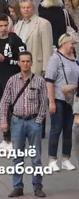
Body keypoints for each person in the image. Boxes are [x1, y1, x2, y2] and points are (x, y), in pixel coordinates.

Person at [0, 51, 48, 197]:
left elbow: (44, 103)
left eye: (28, 61)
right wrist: (3, 121)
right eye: (23, 61)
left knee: (36, 157)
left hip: (33, 122)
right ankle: (17, 186)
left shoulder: (39, 81)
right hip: (17, 122)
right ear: (19, 63)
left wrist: (38, 121)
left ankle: (37, 186)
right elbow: (5, 102)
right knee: (17, 156)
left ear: (31, 63)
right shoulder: (12, 80)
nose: (25, 64)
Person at [46, 34, 79, 172]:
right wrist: (51, 101)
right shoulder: (55, 59)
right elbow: (49, 81)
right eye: (72, 43)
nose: (73, 46)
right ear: (64, 43)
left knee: (68, 129)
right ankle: (52, 159)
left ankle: (66, 158)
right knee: (56, 128)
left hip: (71, 100)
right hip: (59, 98)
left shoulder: (75, 59)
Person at [0, 14, 29, 124]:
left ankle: (11, 135)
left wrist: (5, 59)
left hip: (12, 77)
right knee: (0, 106)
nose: (3, 28)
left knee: (11, 107)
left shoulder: (15, 39)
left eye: (5, 25)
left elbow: (22, 60)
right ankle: (6, 134)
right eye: (1, 26)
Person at [16, 0, 55, 76]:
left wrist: (45, 69)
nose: (26, 10)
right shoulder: (18, 25)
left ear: (33, 9)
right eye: (23, 8)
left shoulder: (43, 23)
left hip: (36, 67)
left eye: (28, 7)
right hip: (20, 67)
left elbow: (47, 48)